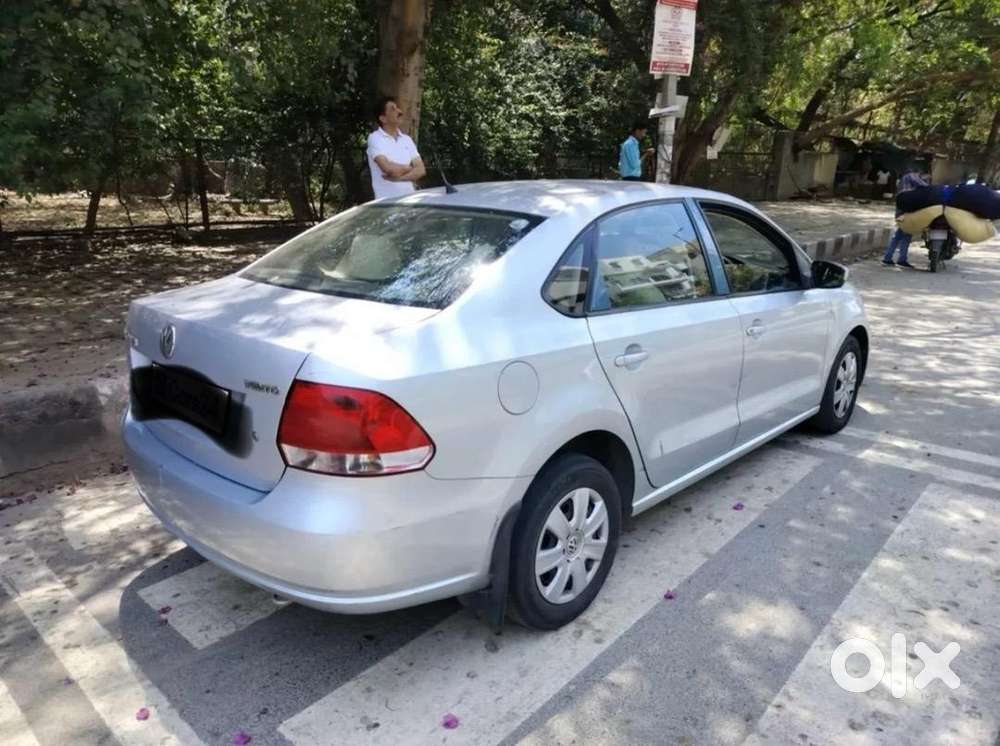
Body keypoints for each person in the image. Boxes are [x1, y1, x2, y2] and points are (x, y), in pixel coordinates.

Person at [366, 96, 426, 200]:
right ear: (383, 118)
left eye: (397, 107)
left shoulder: (406, 139)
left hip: (410, 202)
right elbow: (389, 169)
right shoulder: (374, 138)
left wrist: (400, 178)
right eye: (393, 109)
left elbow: (421, 170)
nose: (399, 111)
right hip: (387, 205)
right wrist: (410, 169)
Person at [882, 167, 928, 268]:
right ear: (918, 172)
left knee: (902, 235)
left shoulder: (903, 181)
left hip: (901, 212)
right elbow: (922, 185)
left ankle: (892, 258)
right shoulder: (910, 176)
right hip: (905, 212)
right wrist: (932, 189)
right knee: (903, 235)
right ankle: (895, 258)